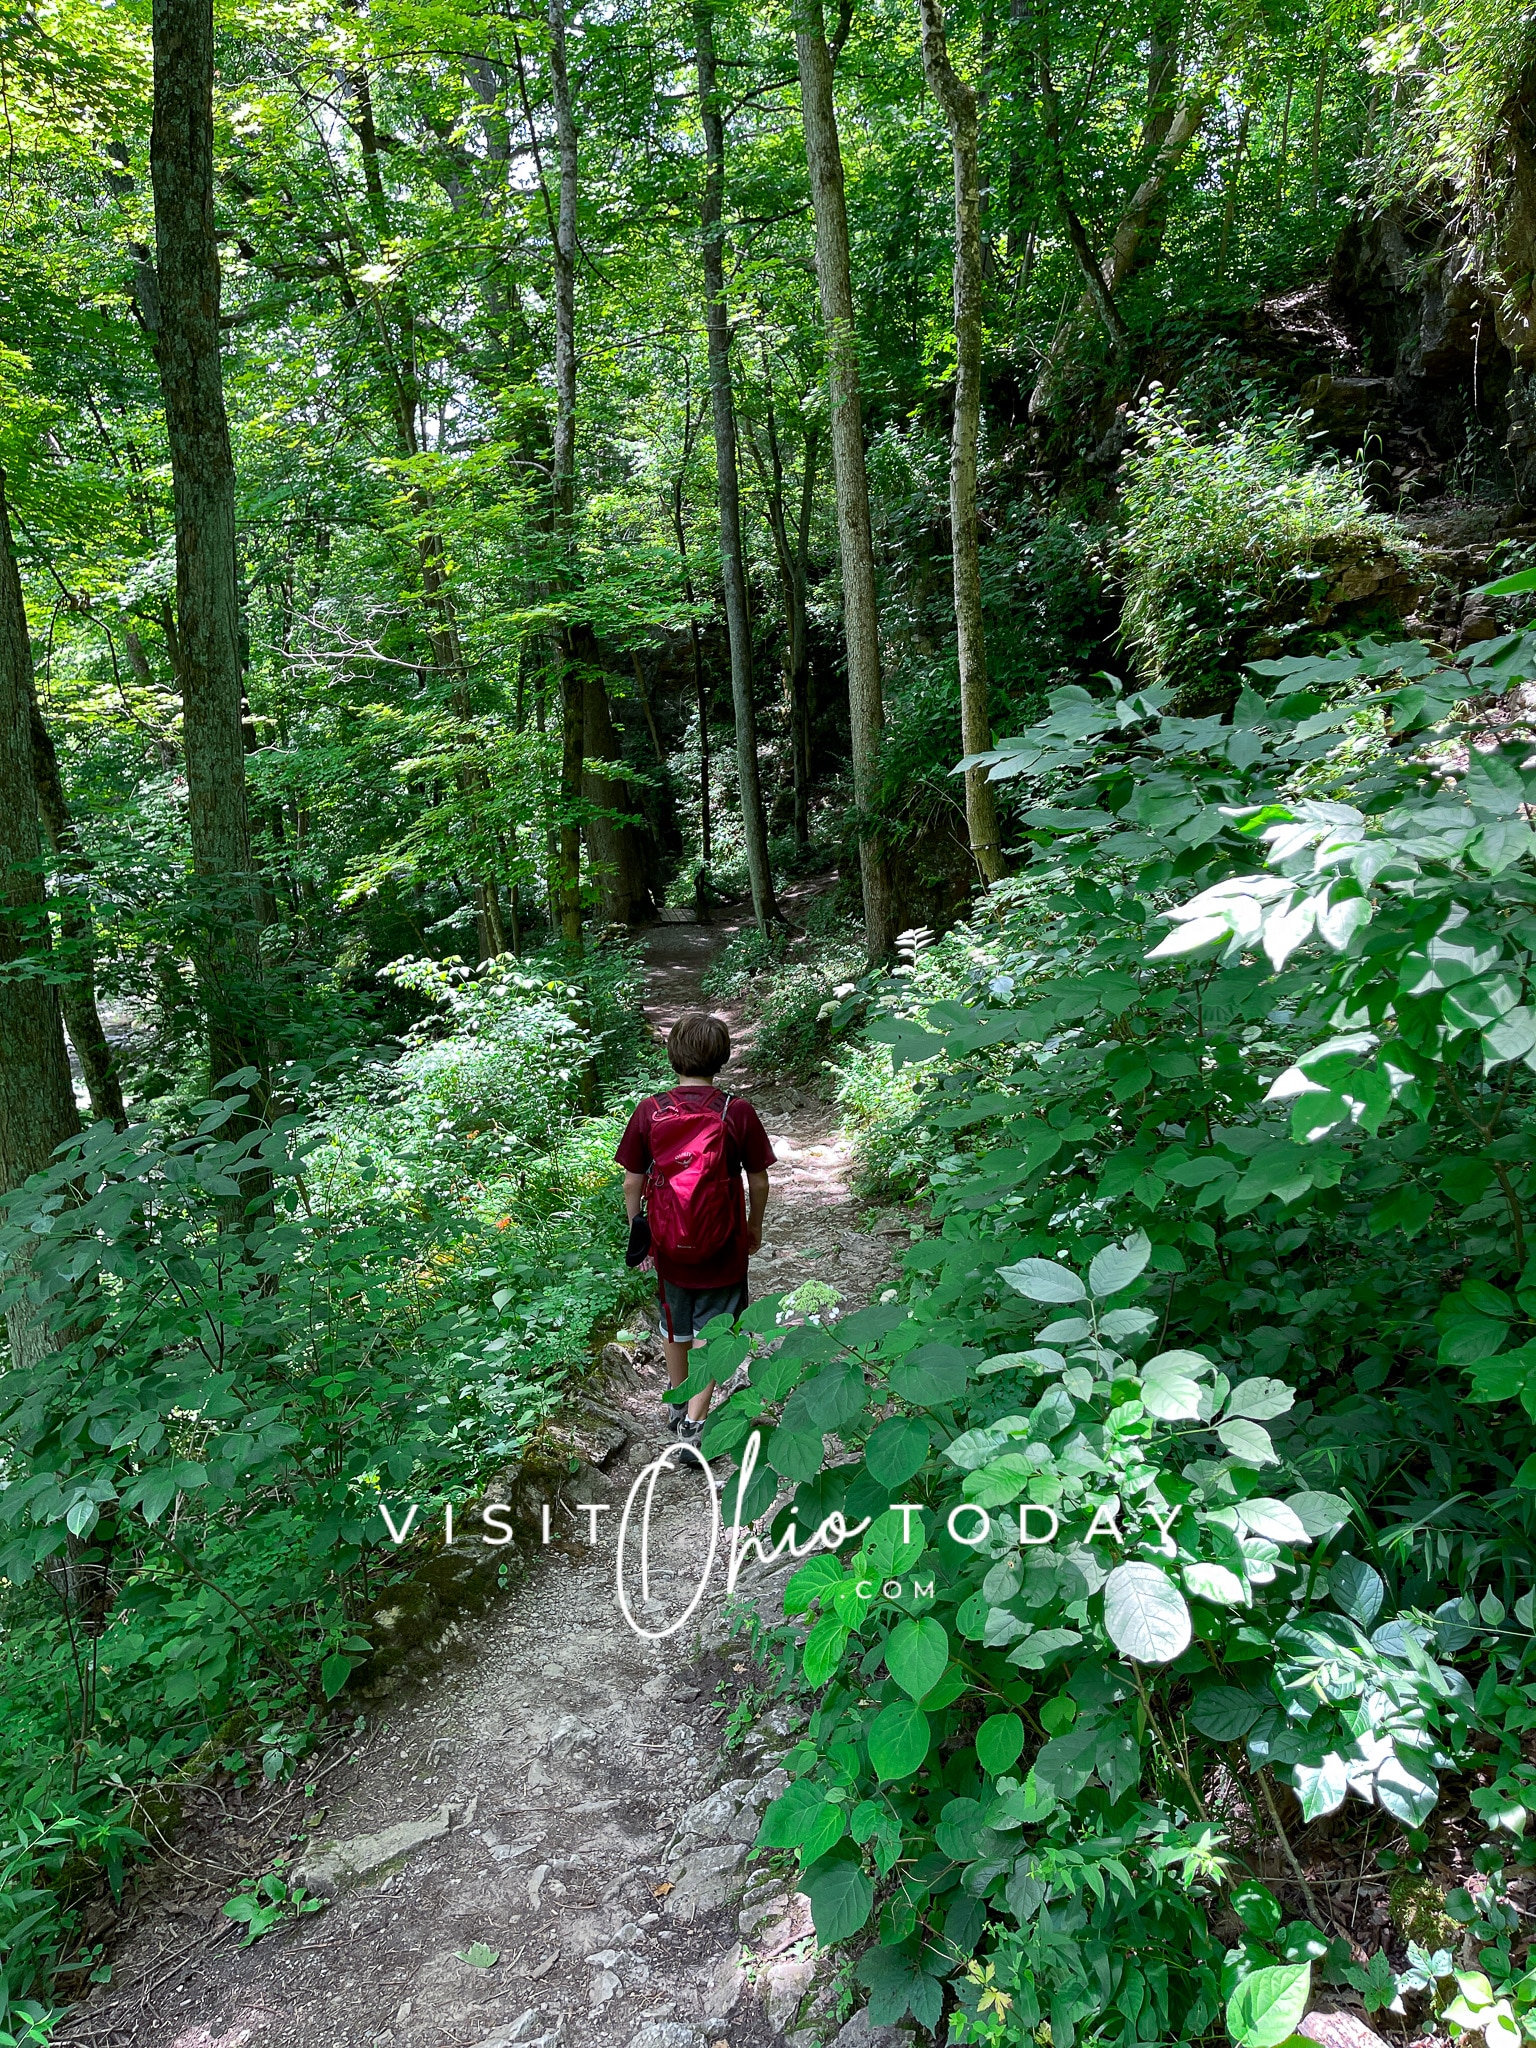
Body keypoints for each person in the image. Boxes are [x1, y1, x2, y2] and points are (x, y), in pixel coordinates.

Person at [615, 1011, 773, 1443]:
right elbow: (758, 1179)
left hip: (668, 1242)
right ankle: (696, 1424)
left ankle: (677, 1403)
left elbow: (633, 1180)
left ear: (673, 1056)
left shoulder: (650, 1111)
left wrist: (640, 1233)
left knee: (674, 1328)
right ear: (722, 1057)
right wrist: (751, 1227)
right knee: (715, 1331)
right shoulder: (736, 1111)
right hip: (724, 1243)